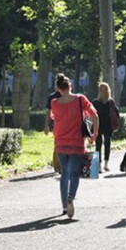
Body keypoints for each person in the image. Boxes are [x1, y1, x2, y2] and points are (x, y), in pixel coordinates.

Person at [49, 74, 98, 218]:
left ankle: (64, 206)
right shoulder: (80, 99)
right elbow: (94, 115)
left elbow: (54, 118)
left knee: (64, 173)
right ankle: (71, 197)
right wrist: (94, 133)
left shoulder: (54, 103)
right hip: (76, 142)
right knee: (75, 173)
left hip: (60, 142)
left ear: (58, 88)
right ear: (70, 86)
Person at [92, 82, 118, 172]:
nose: (103, 91)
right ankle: (103, 164)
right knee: (104, 144)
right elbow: (117, 113)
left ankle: (101, 165)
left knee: (100, 145)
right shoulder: (109, 102)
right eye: (101, 89)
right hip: (104, 125)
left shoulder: (97, 102)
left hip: (102, 125)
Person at [44, 75, 63, 172]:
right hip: (65, 123)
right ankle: (60, 165)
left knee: (57, 144)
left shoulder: (52, 97)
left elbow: (48, 112)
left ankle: (57, 165)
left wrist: (46, 125)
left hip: (57, 124)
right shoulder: (68, 96)